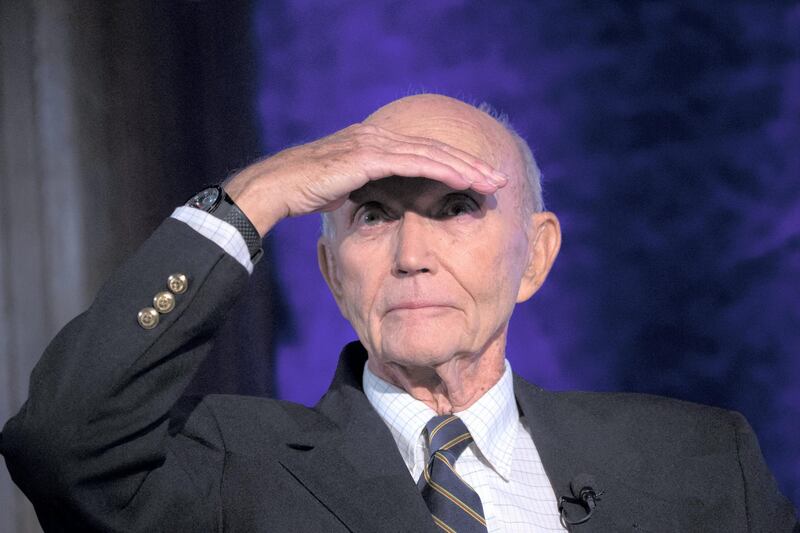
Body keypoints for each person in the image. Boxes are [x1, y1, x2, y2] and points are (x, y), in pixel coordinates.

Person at [1, 94, 797, 532]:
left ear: (537, 256)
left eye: (457, 208)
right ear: (329, 269)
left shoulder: (702, 465)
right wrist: (265, 190)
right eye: (374, 214)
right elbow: (61, 442)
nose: (412, 252)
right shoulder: (228, 470)